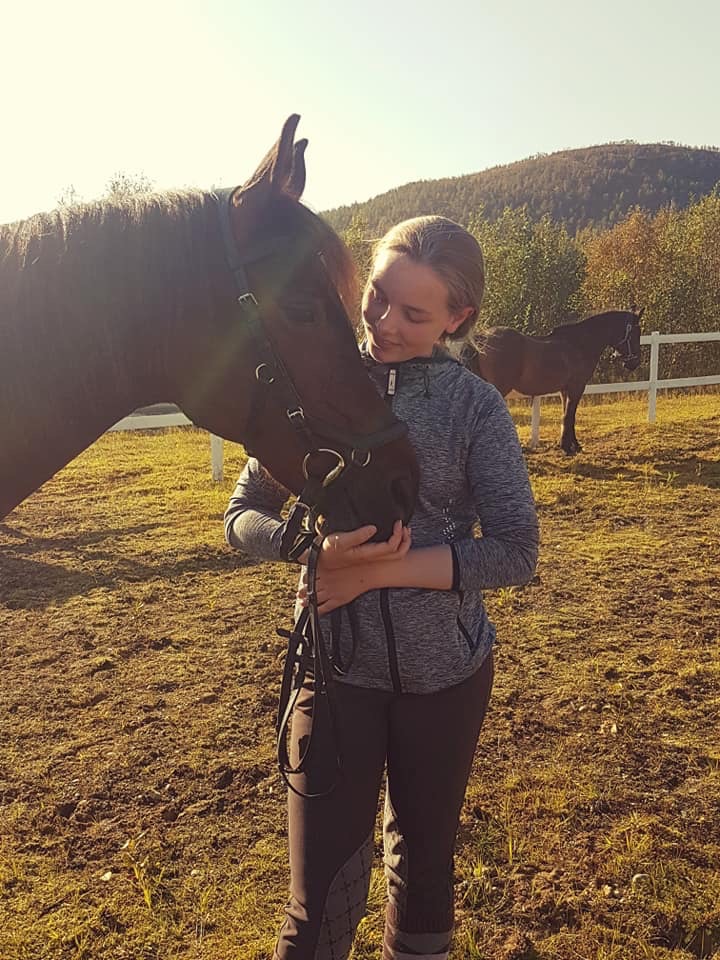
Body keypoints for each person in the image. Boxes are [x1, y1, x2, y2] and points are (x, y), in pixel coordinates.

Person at [224, 216, 539, 960]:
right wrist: (308, 549)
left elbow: (516, 551)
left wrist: (374, 569)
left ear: (458, 318)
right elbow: (241, 515)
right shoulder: (318, 385)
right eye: (376, 296)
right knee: (320, 898)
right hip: (333, 673)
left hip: (446, 678)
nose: (385, 323)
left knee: (425, 873)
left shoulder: (474, 407)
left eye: (415, 314)